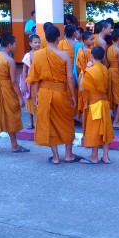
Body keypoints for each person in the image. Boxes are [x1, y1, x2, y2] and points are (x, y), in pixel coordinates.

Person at [26, 25, 80, 164]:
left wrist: (36, 95)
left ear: (45, 38)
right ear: (58, 38)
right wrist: (72, 95)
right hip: (61, 92)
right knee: (67, 122)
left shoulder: (38, 55)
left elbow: (35, 78)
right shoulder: (64, 55)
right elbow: (70, 78)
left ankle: (55, 157)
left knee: (48, 123)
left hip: (44, 93)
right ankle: (68, 155)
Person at [0, 34, 29, 155]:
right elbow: (14, 81)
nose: (16, 46)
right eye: (15, 44)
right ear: (9, 45)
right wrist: (20, 97)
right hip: (7, 88)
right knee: (11, 115)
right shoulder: (10, 61)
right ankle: (13, 145)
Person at [79, 46, 114, 165]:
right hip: (104, 102)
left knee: (95, 130)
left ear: (91, 56)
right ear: (103, 57)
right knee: (105, 129)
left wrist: (85, 71)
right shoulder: (104, 68)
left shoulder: (90, 71)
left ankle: (94, 156)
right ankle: (106, 157)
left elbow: (81, 88)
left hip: (95, 104)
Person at [22, 34, 41, 129]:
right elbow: (24, 70)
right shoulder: (28, 55)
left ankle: (39, 122)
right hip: (31, 82)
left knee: (39, 101)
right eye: (35, 42)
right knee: (30, 102)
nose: (37, 44)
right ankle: (31, 122)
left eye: (39, 42)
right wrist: (24, 84)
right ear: (30, 44)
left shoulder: (42, 53)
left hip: (40, 81)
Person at [75, 31, 94, 121]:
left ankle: (84, 120)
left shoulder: (80, 50)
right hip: (88, 75)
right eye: (91, 39)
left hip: (81, 75)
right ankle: (88, 120)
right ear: (85, 40)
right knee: (88, 98)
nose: (93, 41)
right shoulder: (89, 51)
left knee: (83, 97)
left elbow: (77, 65)